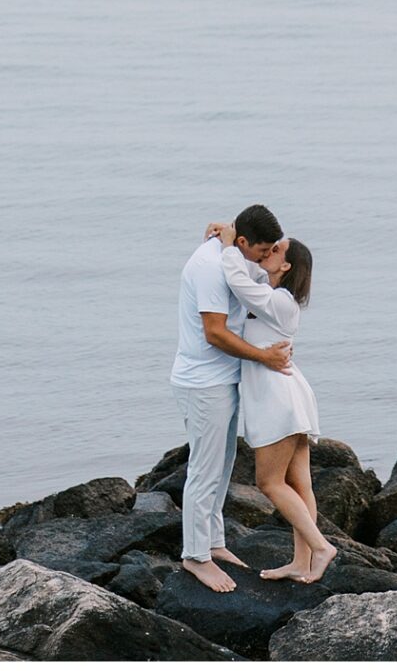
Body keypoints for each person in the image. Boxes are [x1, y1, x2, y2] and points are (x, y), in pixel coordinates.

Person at [171, 205, 296, 593]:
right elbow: (215, 333)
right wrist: (265, 357)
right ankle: (195, 556)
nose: (264, 259)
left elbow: (253, 270)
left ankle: (213, 544)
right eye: (261, 251)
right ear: (243, 242)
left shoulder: (230, 254)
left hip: (223, 379)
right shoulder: (210, 267)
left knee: (222, 468)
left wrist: (226, 233)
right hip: (203, 383)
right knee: (204, 471)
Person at [206, 220, 334, 585]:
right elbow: (248, 272)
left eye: (276, 249)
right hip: (288, 393)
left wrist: (230, 244)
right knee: (299, 483)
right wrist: (230, 231)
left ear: (287, 265)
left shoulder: (279, 301)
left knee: (269, 482)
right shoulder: (272, 292)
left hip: (278, 400)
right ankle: (301, 562)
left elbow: (236, 279)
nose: (270, 249)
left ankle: (321, 548)